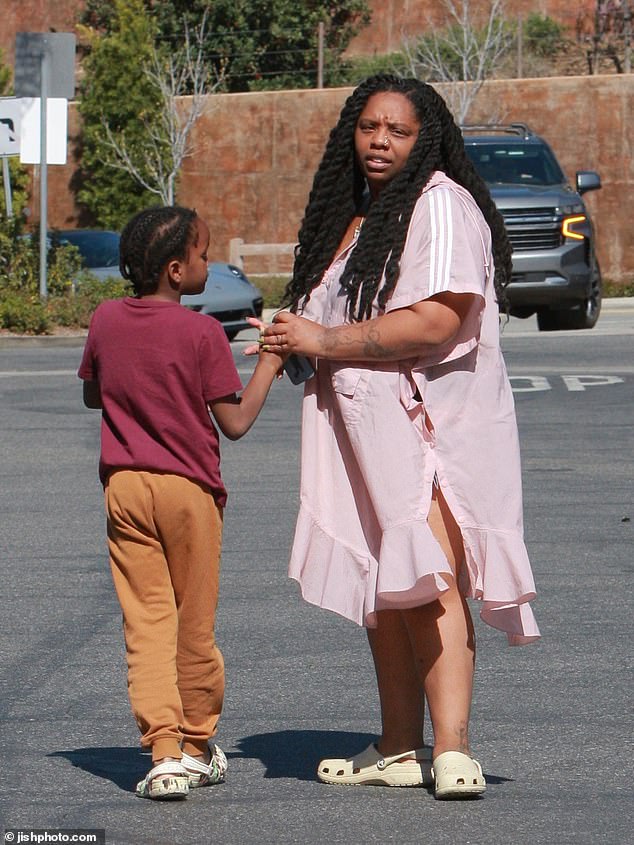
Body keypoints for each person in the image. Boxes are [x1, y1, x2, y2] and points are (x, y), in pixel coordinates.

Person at [261, 74, 540, 800]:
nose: (379, 140)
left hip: (427, 434)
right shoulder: (360, 215)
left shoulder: (440, 205)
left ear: (427, 138)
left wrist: (325, 336)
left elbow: (438, 320)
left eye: (399, 130)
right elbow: (325, 318)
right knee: (386, 592)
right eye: (368, 127)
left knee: (429, 585)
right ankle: (396, 746)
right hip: (360, 434)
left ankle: (453, 749)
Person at [78, 206, 282, 800]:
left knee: (145, 623)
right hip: (188, 491)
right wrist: (271, 360)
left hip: (125, 490)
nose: (207, 263)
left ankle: (162, 752)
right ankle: (196, 745)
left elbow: (96, 394)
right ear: (174, 270)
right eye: (201, 255)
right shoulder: (201, 333)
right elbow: (236, 421)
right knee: (193, 624)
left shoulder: (106, 319)